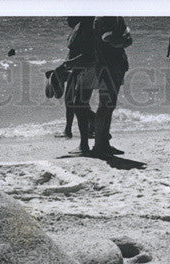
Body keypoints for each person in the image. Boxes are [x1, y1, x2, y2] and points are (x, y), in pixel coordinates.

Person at [92, 16, 131, 158]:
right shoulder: (103, 18)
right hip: (107, 64)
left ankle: (102, 144)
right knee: (105, 105)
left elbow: (126, 39)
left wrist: (120, 41)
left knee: (109, 105)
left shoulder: (115, 17)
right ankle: (99, 145)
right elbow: (110, 39)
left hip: (114, 64)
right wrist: (122, 41)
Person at [63, 17, 97, 154]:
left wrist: (68, 65)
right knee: (77, 103)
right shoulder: (82, 26)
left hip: (86, 68)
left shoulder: (87, 26)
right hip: (80, 68)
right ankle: (95, 132)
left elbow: (88, 54)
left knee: (79, 104)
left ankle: (86, 143)